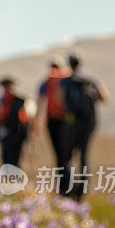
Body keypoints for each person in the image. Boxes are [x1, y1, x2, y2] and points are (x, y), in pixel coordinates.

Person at [60, 53, 110, 200]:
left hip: (72, 123)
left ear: (69, 64)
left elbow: (59, 99)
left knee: (68, 156)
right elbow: (104, 97)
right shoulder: (90, 80)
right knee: (84, 156)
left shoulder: (66, 82)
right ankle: (82, 190)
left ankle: (68, 188)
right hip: (88, 124)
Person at [37, 56, 71, 194]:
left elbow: (40, 102)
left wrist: (37, 122)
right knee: (66, 156)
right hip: (67, 122)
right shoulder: (67, 80)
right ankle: (68, 187)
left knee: (58, 155)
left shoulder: (47, 82)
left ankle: (62, 187)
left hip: (52, 121)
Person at [0, 76, 30, 167]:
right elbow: (26, 117)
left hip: (6, 133)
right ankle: (14, 177)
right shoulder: (20, 101)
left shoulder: (0, 100)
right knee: (14, 156)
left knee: (7, 156)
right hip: (18, 133)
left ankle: (8, 177)